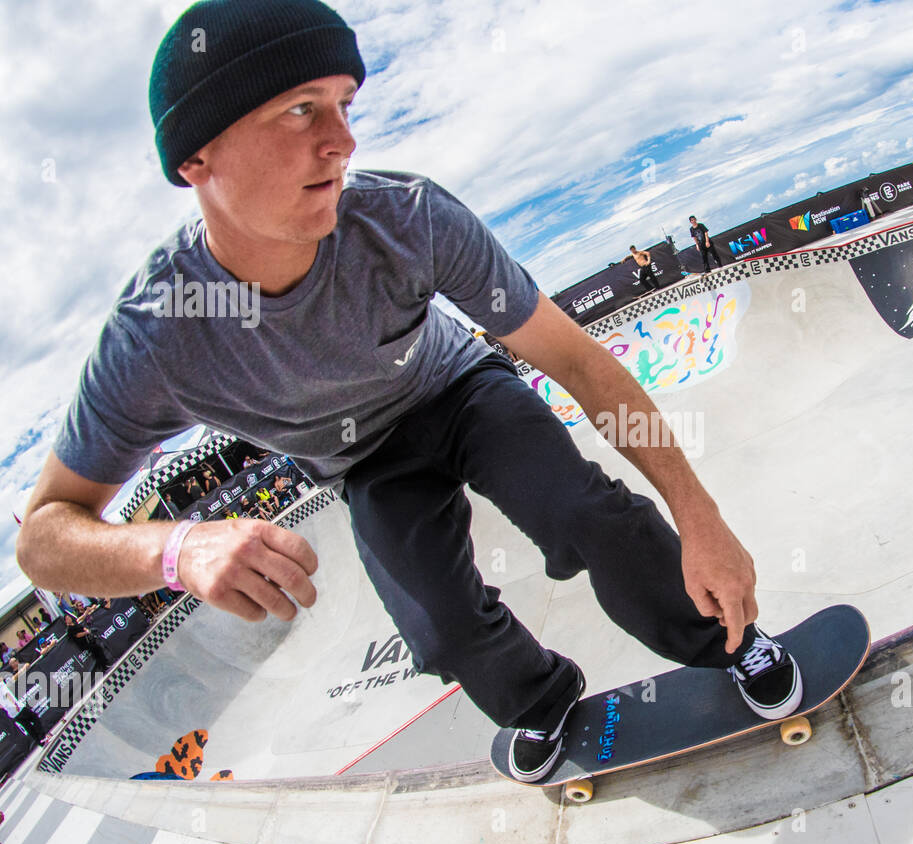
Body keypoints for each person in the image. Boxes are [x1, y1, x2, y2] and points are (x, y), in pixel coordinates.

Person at [16, 0, 798, 786]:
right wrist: (177, 549)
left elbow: (580, 363)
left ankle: (729, 643)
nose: (343, 142)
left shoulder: (409, 220)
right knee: (439, 628)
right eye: (300, 111)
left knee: (582, 513)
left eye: (346, 105)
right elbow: (44, 536)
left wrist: (701, 516)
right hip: (364, 463)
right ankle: (542, 703)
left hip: (460, 393)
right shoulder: (157, 336)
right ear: (197, 160)